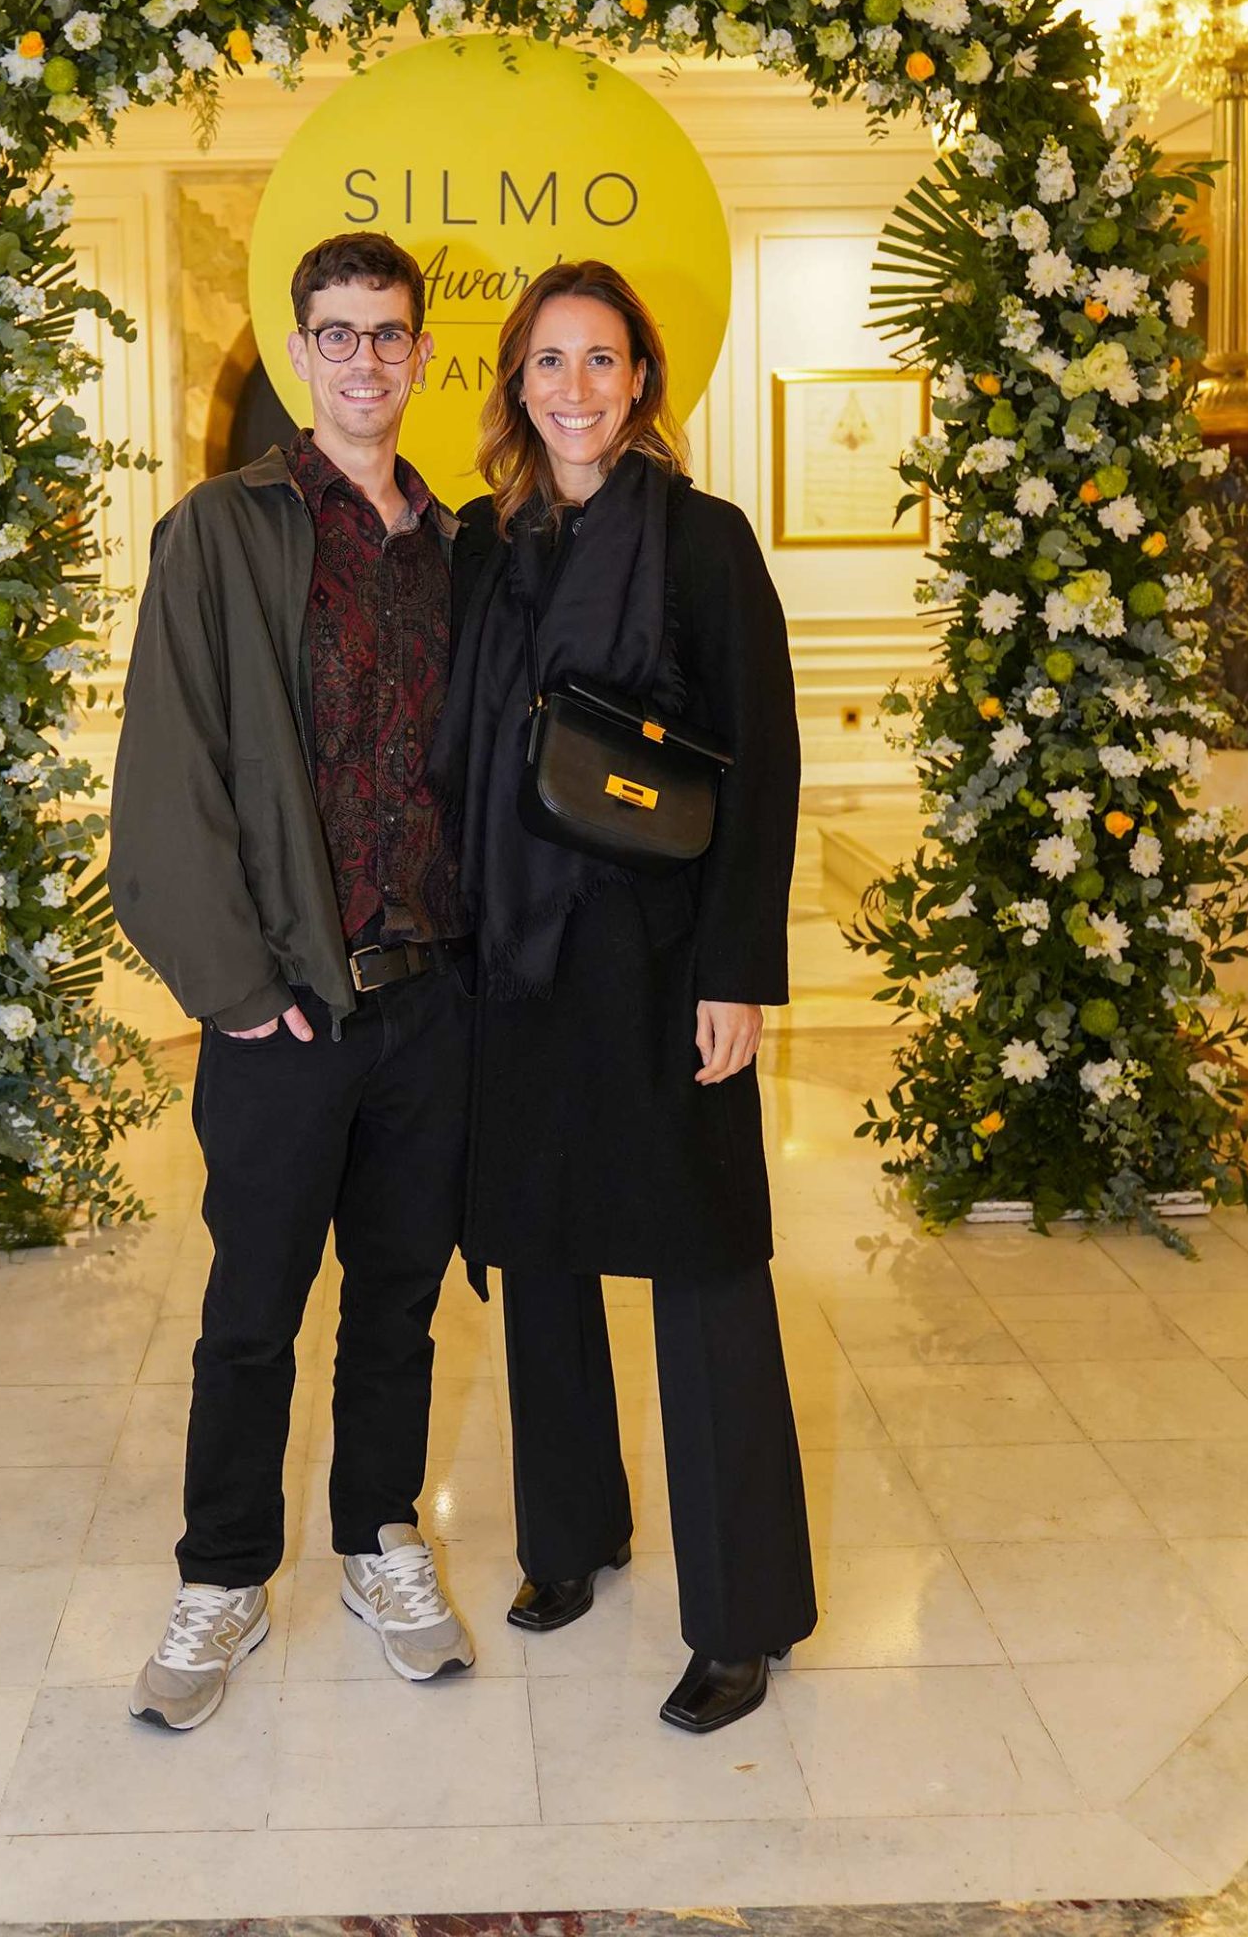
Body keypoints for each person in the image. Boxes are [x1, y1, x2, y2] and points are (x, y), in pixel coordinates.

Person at [433, 258, 818, 1734]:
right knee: (541, 1246)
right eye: (550, 361)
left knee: (705, 1266)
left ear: (642, 379)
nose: (575, 388)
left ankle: (741, 1613)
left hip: (661, 962)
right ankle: (569, 1534)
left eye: (602, 360)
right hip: (520, 960)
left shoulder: (704, 542)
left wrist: (737, 975)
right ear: (517, 384)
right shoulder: (487, 542)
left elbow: (761, 767)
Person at [109, 231, 475, 1732]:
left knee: (399, 1299)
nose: (365, 360)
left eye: (389, 334)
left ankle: (381, 1536)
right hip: (285, 1007)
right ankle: (223, 1576)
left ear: (422, 355)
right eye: (338, 334)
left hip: (433, 1000)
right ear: (300, 349)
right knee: (252, 1307)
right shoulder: (223, 532)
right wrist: (239, 990)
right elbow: (168, 775)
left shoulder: (460, 549)